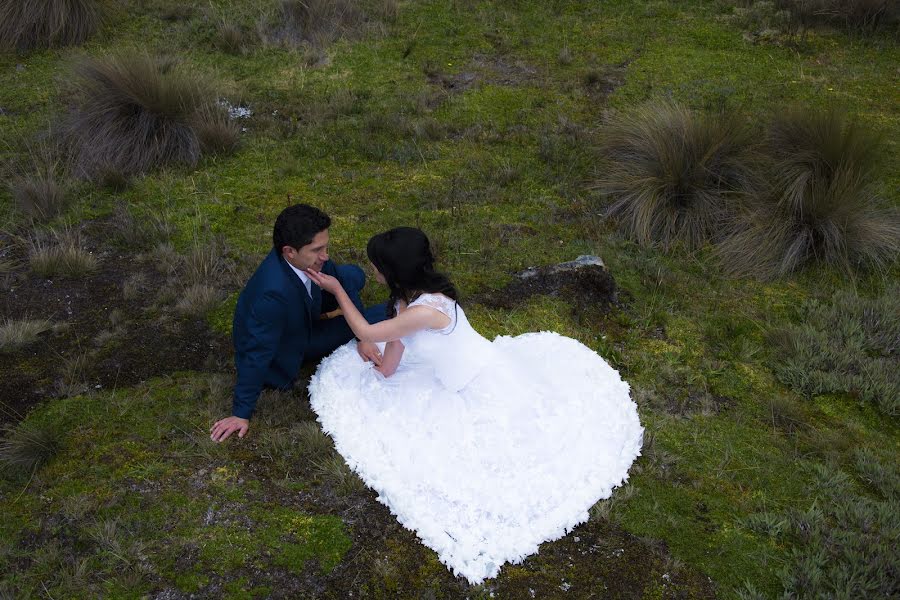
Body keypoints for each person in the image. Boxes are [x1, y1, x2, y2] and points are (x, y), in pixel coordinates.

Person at [305, 227, 643, 583]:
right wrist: (374, 359)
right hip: (456, 380)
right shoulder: (404, 305)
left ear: (391, 272)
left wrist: (339, 290)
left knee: (503, 463)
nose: (371, 270)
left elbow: (371, 331)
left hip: (488, 385)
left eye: (375, 265)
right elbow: (389, 364)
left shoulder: (429, 308)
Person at [210, 204, 387, 442]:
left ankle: (338, 308)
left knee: (354, 275)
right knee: (377, 315)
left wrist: (345, 302)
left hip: (306, 304)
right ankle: (393, 309)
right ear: (289, 251)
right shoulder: (272, 297)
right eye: (316, 250)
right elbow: (257, 352)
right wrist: (240, 414)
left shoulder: (308, 262)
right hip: (295, 341)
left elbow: (338, 280)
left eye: (326, 246)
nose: (325, 255)